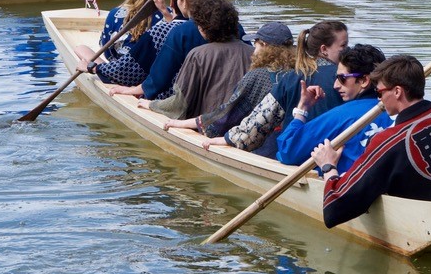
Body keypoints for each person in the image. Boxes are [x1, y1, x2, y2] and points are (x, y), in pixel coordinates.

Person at [314, 33, 431, 228]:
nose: (379, 99)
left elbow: (335, 208)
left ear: (397, 92)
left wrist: (328, 166)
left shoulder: (387, 142)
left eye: (379, 93)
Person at [201, 19, 349, 158]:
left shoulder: (290, 78)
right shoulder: (348, 79)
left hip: (295, 156)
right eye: (343, 46)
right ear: (323, 49)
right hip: (337, 155)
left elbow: (258, 123)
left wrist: (226, 140)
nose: (348, 50)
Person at [162, 21, 295, 138]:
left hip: (262, 147)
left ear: (264, 45)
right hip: (290, 140)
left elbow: (226, 116)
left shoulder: (258, 76)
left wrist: (181, 123)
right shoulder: (298, 74)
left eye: (256, 43)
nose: (254, 47)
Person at [271, 44, 390, 173]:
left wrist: (302, 110)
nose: (335, 85)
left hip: (344, 188)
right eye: (336, 78)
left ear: (364, 81)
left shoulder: (343, 115)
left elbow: (288, 151)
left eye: (341, 78)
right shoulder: (400, 113)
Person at [138, 0, 253, 120]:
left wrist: (151, 104)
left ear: (202, 29)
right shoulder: (254, 53)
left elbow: (179, 104)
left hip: (209, 124)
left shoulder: (198, 55)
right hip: (244, 122)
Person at [107, 0, 214, 101]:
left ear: (183, 2)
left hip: (183, 99)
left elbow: (158, 77)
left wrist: (95, 68)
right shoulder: (232, 25)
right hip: (218, 93)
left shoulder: (177, 31)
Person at [74, 0, 163, 86]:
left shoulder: (115, 14)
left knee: (80, 49)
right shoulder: (166, 15)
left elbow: (107, 51)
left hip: (119, 74)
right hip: (152, 75)